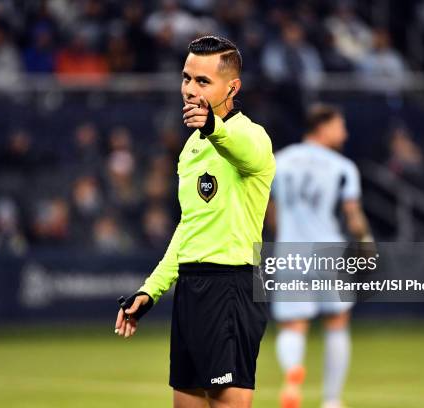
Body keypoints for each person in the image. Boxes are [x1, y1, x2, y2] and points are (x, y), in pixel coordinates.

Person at [114, 35, 276, 408]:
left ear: (232, 87)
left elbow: (244, 151)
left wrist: (212, 127)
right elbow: (189, 228)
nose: (189, 89)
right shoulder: (191, 148)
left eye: (203, 82)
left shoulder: (253, 137)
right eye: (187, 78)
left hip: (232, 288)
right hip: (191, 289)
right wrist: (149, 291)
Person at [270, 104, 372, 408]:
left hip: (290, 251)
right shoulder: (342, 167)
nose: (345, 133)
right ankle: (331, 400)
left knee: (293, 325)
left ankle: (292, 372)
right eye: (340, 126)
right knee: (337, 321)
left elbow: (269, 210)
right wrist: (366, 242)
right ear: (323, 127)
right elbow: (352, 214)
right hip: (330, 251)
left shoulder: (279, 161)